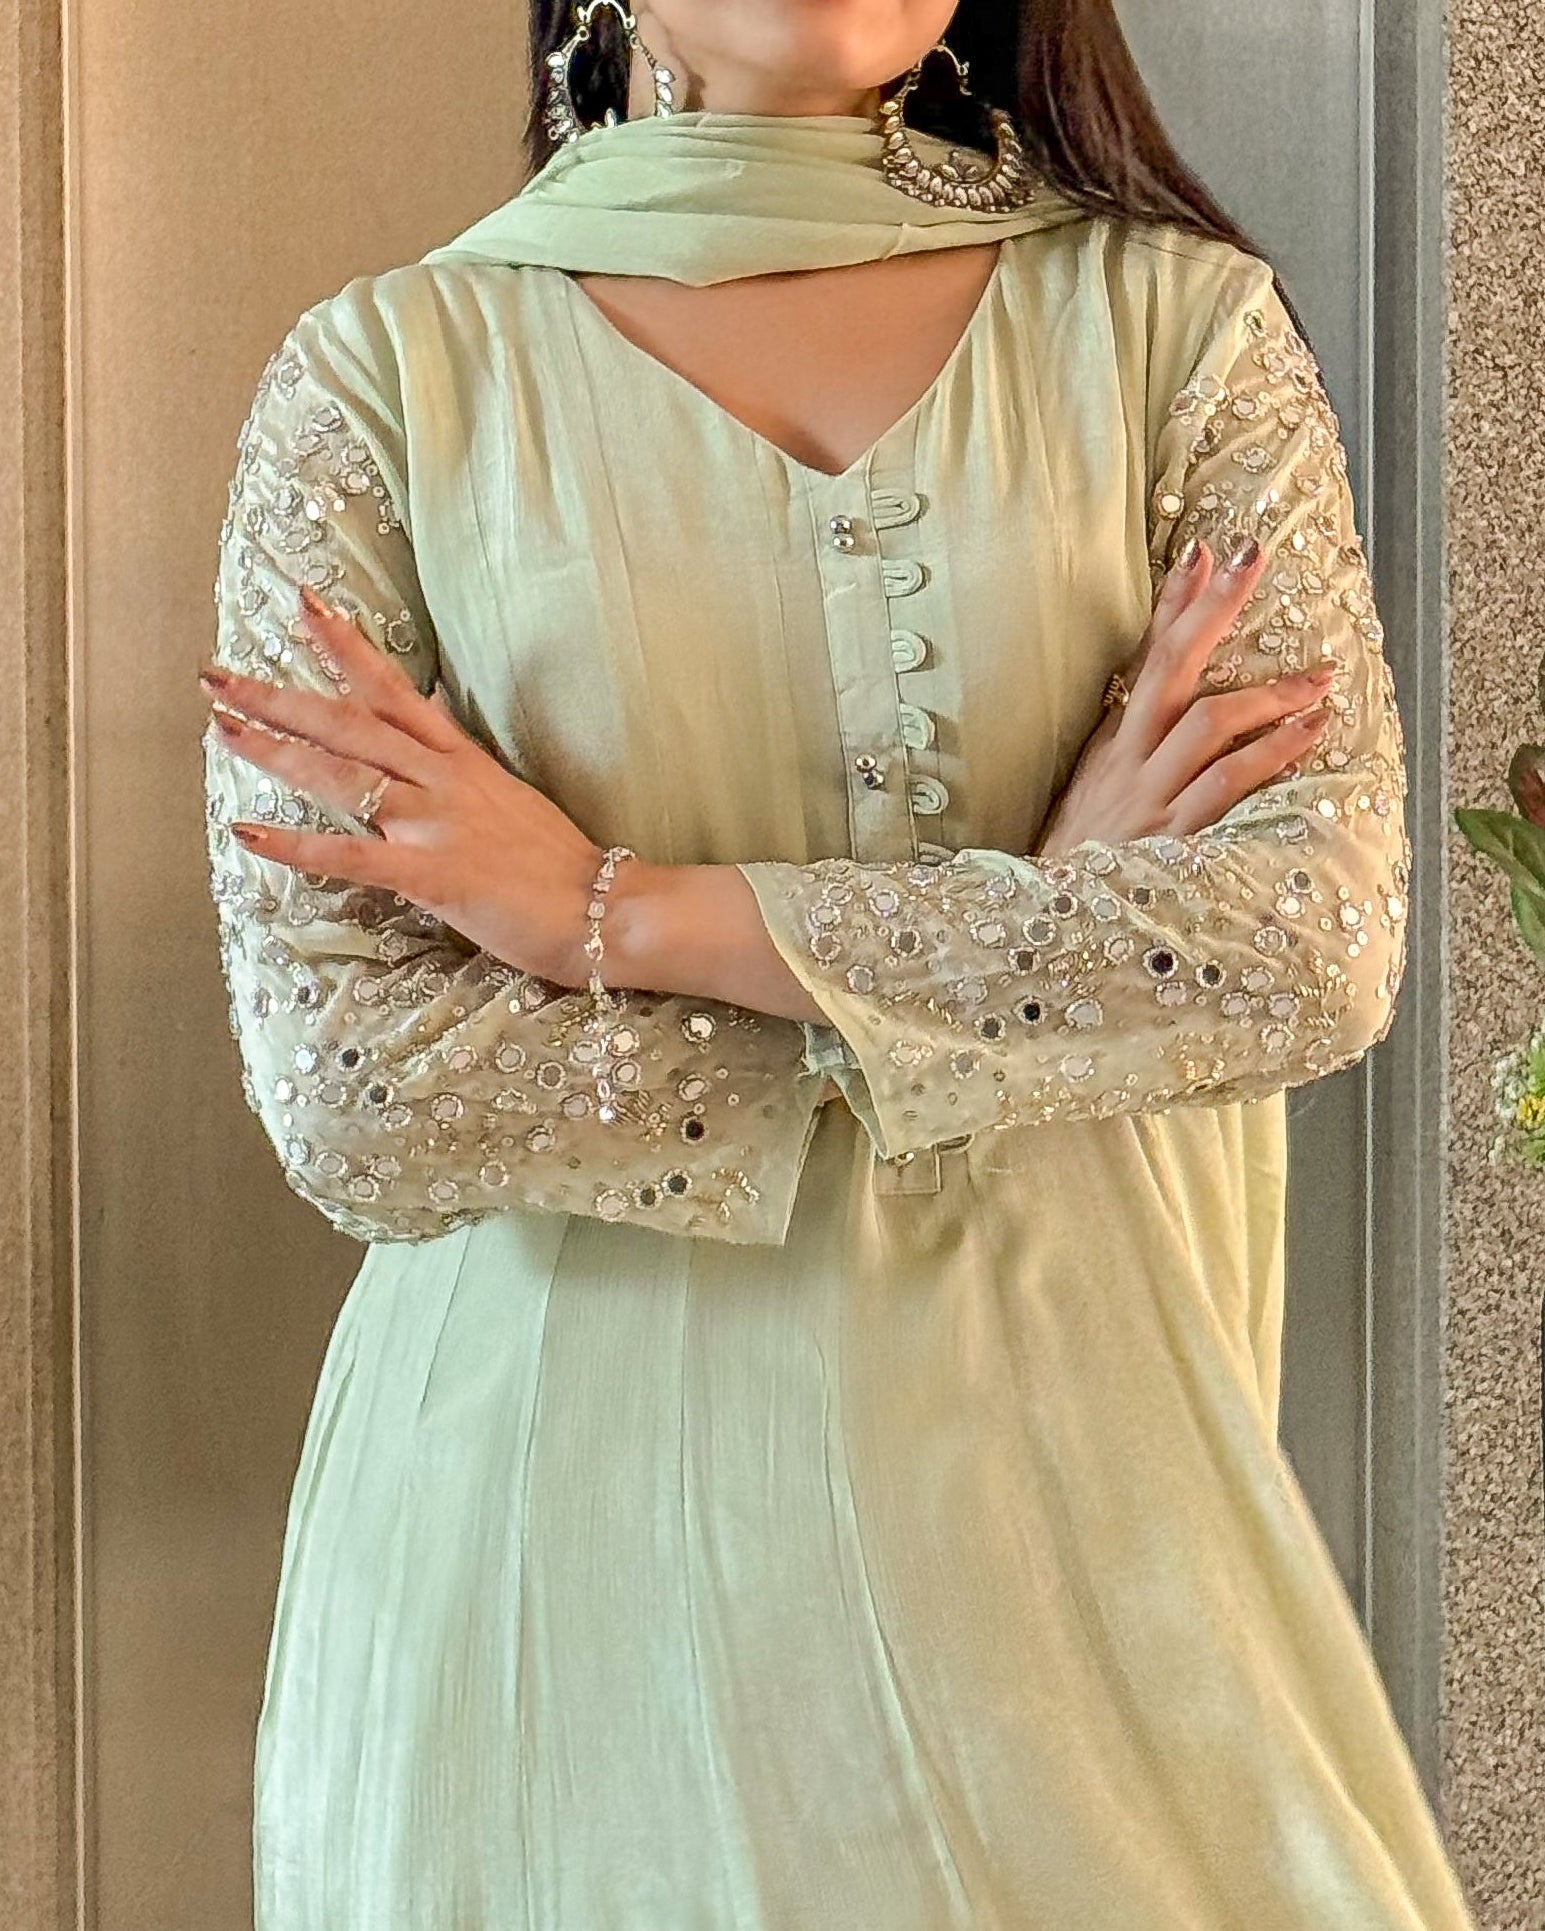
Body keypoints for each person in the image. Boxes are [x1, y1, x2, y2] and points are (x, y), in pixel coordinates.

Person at [198, 2, 1478, 1924]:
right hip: (555, 1554)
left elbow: (1304, 947)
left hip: (1065, 1522)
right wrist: (1033, 938)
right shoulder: (384, 379)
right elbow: (359, 1094)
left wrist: (614, 915)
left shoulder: (1177, 336)